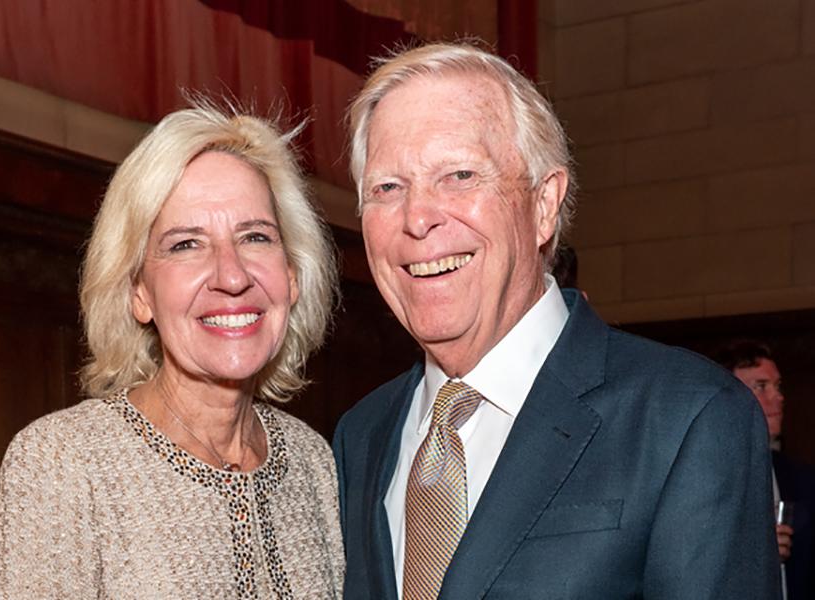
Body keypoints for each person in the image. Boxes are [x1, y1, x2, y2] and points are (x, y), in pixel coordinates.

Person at [332, 42, 780, 599]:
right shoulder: (361, 436)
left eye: (461, 175)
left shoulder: (687, 418)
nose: (418, 217)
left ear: (544, 204)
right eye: (387, 188)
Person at [0, 102, 344, 598]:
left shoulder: (314, 462)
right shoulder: (62, 464)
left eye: (256, 237)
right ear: (138, 291)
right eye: (186, 245)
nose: (232, 276)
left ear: (293, 275)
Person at [715, 340, 815, 600]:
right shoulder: (701, 477)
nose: (778, 397)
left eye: (778, 387)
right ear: (727, 398)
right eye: (761, 387)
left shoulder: (802, 478)